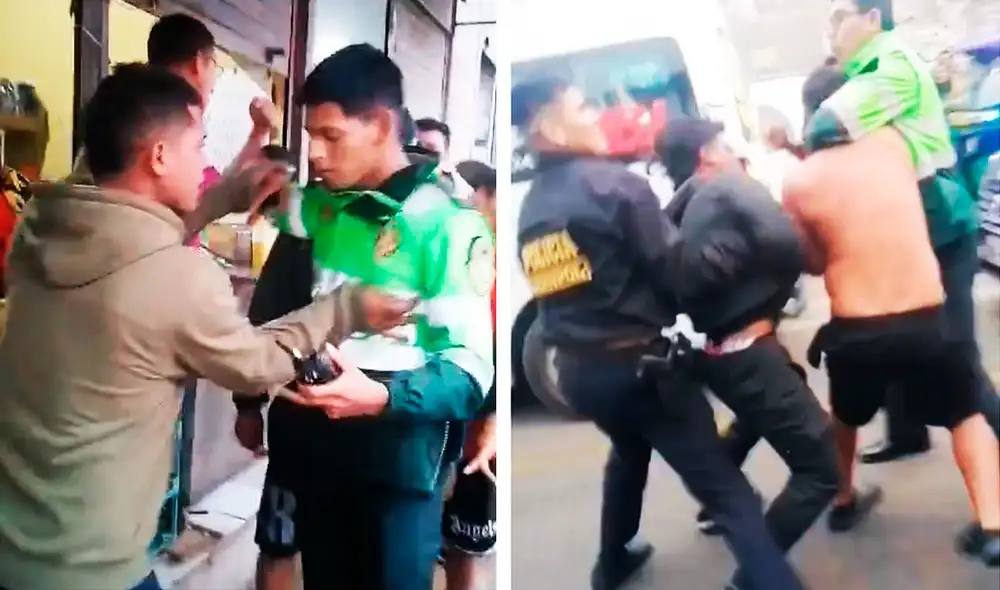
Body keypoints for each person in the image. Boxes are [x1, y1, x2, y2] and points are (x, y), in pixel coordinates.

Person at [0, 64, 406, 590]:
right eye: (199, 146)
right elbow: (255, 364)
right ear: (159, 157)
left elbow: (127, 240)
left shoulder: (39, 228)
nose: (205, 162)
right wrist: (346, 308)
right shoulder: (180, 279)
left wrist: (219, 199)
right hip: (89, 567)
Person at [513, 77, 806, 590]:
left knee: (629, 450)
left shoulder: (533, 205)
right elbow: (678, 275)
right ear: (553, 123)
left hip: (579, 375)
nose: (597, 114)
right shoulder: (614, 186)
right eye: (583, 105)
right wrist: (733, 250)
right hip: (639, 369)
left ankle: (612, 562)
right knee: (728, 493)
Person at [236, 44, 494, 590]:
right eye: (310, 135)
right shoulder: (321, 205)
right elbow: (256, 193)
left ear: (380, 125)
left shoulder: (447, 225)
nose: (315, 153)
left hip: (397, 464)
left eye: (331, 136)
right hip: (318, 452)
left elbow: (470, 371)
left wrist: (381, 397)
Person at [785, 64, 1000, 567]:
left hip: (858, 327)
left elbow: (811, 261)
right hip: (926, 315)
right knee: (965, 415)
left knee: (845, 416)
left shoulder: (800, 181)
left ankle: (843, 501)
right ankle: (993, 525)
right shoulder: (896, 145)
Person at [655, 117, 844, 589]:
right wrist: (775, 290)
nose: (734, 153)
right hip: (748, 347)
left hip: (716, 353)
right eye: (723, 144)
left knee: (761, 410)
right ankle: (754, 576)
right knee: (822, 469)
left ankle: (717, 501)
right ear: (705, 155)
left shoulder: (675, 212)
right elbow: (786, 243)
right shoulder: (725, 186)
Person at [813, 0, 1000, 466]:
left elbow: (822, 124)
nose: (832, 30)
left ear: (872, 19)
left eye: (840, 18)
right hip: (911, 227)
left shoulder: (889, 66)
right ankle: (906, 433)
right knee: (897, 328)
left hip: (941, 228)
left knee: (956, 354)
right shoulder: (869, 71)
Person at [68, 13, 281, 244]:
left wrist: (259, 133)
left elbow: (215, 193)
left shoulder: (122, 111)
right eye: (197, 147)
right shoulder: (159, 123)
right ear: (199, 63)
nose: (200, 161)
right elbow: (209, 200)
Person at [443, 160, 498, 590]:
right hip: (439, 420)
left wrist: (492, 423)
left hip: (476, 429)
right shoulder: (453, 247)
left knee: (465, 544)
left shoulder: (490, 260)